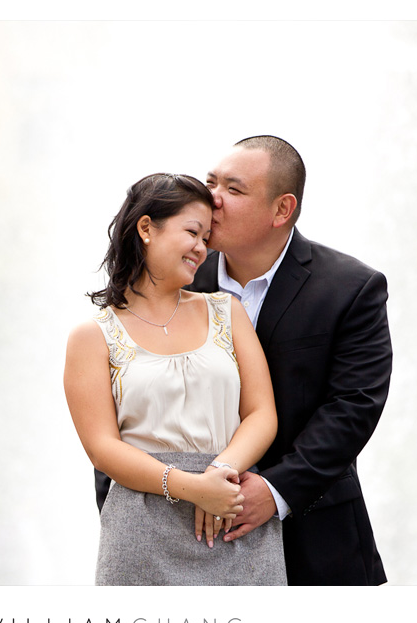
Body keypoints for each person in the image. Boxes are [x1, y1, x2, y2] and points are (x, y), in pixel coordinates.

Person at [64, 172, 286, 585]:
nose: (202, 249)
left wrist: (220, 474)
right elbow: (102, 448)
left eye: (206, 237)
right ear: (147, 228)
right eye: (192, 232)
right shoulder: (91, 337)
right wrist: (190, 487)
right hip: (142, 529)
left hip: (232, 512)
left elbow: (261, 413)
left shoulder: (227, 311)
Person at [195, 135, 392, 585]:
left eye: (234, 188)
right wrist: (124, 508)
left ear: (282, 210)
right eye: (210, 182)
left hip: (315, 540)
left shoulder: (351, 288)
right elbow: (125, 395)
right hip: (182, 536)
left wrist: (277, 490)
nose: (212, 199)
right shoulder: (173, 279)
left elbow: (354, 405)